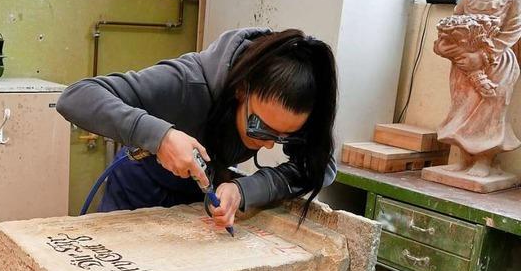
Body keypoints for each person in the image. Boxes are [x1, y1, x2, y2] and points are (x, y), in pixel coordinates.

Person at [56, 27, 338, 228]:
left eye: (284, 136)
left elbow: (319, 167)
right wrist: (160, 137)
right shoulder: (185, 82)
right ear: (241, 90)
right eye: (260, 129)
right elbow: (76, 96)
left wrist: (245, 189)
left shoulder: (290, 98)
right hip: (137, 191)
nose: (268, 144)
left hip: (196, 194)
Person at [433, 0, 521, 177]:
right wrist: (448, 49)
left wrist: (480, 57)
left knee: (489, 112)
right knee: (462, 109)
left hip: (496, 64)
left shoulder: (514, 0)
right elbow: (449, 29)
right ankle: (463, 158)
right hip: (462, 66)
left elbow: (510, 35)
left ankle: (484, 160)